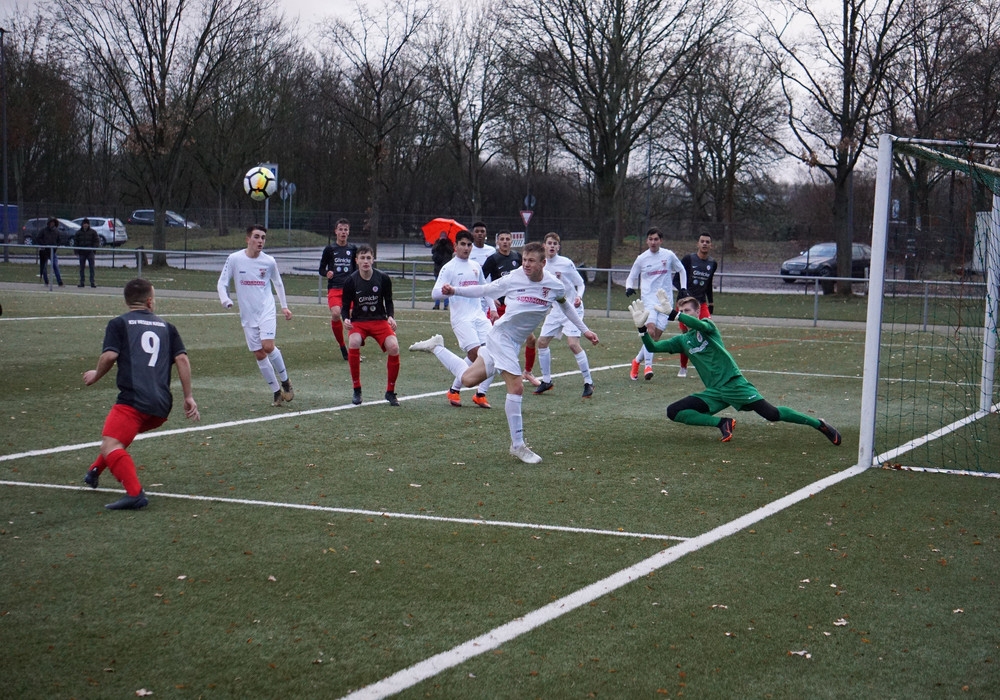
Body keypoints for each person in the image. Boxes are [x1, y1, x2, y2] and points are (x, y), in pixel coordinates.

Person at [409, 241, 599, 464]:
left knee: (468, 379)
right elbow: (485, 289)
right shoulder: (514, 277)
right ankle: (518, 445)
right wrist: (455, 290)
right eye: (524, 260)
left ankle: (437, 347)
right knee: (516, 386)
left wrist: (585, 330)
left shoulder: (554, 285)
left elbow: (565, 305)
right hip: (501, 337)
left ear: (543, 263)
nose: (526, 265)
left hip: (512, 341)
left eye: (531, 261)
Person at [628, 293, 842, 445]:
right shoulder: (682, 340)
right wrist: (641, 328)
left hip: (734, 384)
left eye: (687, 311)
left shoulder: (708, 327)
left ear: (697, 312)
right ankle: (723, 423)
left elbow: (701, 326)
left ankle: (818, 424)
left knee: (772, 414)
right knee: (673, 411)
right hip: (715, 392)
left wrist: (674, 314)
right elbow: (652, 347)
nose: (683, 314)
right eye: (681, 311)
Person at [81, 278, 200, 510]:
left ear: (127, 301)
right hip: (161, 406)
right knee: (116, 438)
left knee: (111, 444)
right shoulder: (167, 327)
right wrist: (188, 396)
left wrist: (96, 374)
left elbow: (109, 356)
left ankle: (135, 494)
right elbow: (182, 359)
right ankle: (94, 471)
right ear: (149, 301)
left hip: (134, 401)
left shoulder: (118, 324)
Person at [217, 225, 295, 407]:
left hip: (266, 309)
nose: (260, 241)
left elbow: (278, 283)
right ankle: (276, 391)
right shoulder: (234, 259)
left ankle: (286, 381)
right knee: (259, 354)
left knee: (267, 346)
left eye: (263, 238)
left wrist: (284, 307)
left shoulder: (269, 261)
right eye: (257, 237)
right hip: (247, 314)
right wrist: (225, 300)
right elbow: (222, 283)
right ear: (248, 239)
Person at [431, 229, 496, 408]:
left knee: (495, 353)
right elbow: (434, 293)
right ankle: (437, 349)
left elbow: (485, 289)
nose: (466, 248)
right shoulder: (449, 267)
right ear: (456, 246)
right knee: (477, 356)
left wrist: (492, 309)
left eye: (469, 245)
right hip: (461, 319)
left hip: (479, 316)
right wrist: (446, 291)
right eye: (463, 244)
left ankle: (471, 393)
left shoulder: (475, 266)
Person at [532, 232, 595, 398]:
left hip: (572, 308)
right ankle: (546, 381)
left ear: (558, 247)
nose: (552, 246)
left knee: (573, 344)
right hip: (556, 309)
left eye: (555, 243)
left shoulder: (566, 263)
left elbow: (580, 283)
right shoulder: (541, 265)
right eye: (549, 243)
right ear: (544, 246)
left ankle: (588, 382)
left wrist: (579, 296)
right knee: (542, 342)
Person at [341, 244, 401, 406]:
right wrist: (345, 318)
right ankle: (357, 389)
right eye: (362, 258)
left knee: (394, 347)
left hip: (379, 321)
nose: (365, 261)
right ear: (357, 261)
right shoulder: (351, 281)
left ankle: (390, 392)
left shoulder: (383, 278)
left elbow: (388, 301)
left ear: (373, 260)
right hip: (359, 322)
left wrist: (391, 317)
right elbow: (345, 306)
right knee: (353, 342)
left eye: (368, 257)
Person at [624, 227, 686, 381]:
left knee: (655, 338)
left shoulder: (668, 255)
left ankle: (637, 361)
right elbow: (631, 276)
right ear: (647, 240)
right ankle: (648, 367)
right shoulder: (642, 258)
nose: (653, 242)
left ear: (661, 240)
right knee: (650, 332)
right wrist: (628, 287)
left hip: (665, 302)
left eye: (656, 239)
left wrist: (683, 288)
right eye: (650, 239)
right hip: (648, 301)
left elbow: (682, 270)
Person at [481, 230, 539, 386]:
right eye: (502, 239)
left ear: (512, 241)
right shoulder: (492, 259)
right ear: (497, 242)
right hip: (498, 308)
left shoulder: (517, 258)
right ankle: (486, 376)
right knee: (493, 342)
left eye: (508, 239)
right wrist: (492, 298)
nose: (505, 242)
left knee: (531, 339)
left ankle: (528, 372)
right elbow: (481, 280)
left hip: (514, 306)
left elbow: (526, 278)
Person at [674, 232, 718, 377]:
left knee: (709, 331)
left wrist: (710, 302)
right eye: (702, 241)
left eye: (707, 242)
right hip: (685, 304)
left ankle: (711, 366)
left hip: (701, 304)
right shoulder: (688, 259)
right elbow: (676, 279)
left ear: (711, 245)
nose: (705, 244)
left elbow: (709, 283)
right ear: (697, 244)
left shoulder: (712, 263)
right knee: (686, 336)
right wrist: (684, 292)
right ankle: (683, 367)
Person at [318, 218, 359, 360]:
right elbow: (321, 269)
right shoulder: (329, 249)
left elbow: (358, 267)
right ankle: (342, 346)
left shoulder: (353, 249)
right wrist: (326, 273)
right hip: (334, 288)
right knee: (336, 314)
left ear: (349, 232)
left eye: (345, 229)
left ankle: (354, 349)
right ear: (335, 231)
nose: (343, 232)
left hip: (350, 289)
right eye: (340, 229)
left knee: (353, 317)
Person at [430, 232, 454, 311]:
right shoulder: (437, 242)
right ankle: (437, 304)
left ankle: (446, 305)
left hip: (446, 268)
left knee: (446, 287)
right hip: (438, 268)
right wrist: (440, 243)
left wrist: (445, 243)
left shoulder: (449, 243)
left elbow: (451, 251)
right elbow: (433, 250)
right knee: (437, 286)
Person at [37, 218, 64, 287]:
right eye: (51, 222)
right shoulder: (43, 231)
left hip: (52, 252)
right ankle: (46, 281)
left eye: (53, 223)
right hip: (44, 251)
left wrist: (56, 246)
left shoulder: (57, 231)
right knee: (44, 268)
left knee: (55, 266)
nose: (52, 224)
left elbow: (59, 240)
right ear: (48, 223)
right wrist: (44, 245)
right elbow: (38, 238)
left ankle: (60, 282)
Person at [74, 218, 101, 288]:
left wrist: (93, 249)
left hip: (90, 253)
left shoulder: (93, 232)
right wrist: (76, 251)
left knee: (91, 268)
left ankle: (92, 282)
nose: (85, 225)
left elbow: (96, 241)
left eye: (86, 224)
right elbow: (76, 242)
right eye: (84, 224)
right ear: (82, 224)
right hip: (82, 253)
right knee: (81, 268)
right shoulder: (78, 233)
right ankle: (82, 282)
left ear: (88, 224)